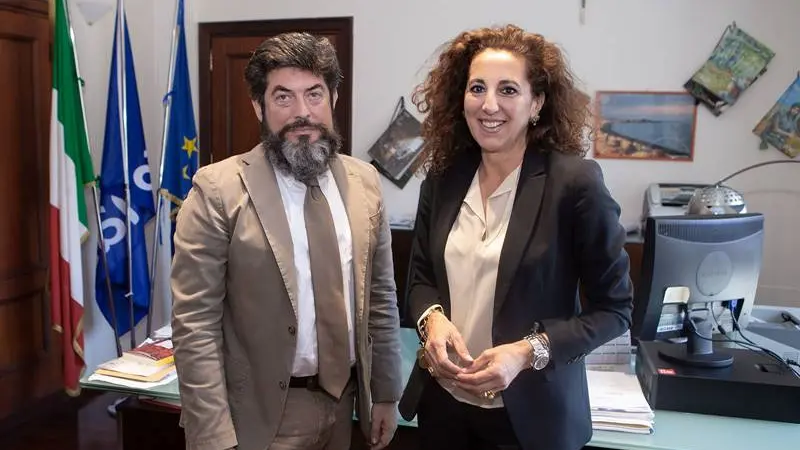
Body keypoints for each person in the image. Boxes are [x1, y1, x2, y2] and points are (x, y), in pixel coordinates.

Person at [397, 25, 634, 450]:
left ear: (536, 102)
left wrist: (527, 352)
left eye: (508, 90)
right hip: (444, 410)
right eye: (477, 88)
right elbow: (420, 278)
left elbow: (615, 309)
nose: (489, 105)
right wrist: (432, 320)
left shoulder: (574, 183)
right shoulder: (444, 178)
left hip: (531, 421)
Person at [171, 32, 403, 450]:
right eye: (283, 97)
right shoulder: (217, 191)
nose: (302, 113)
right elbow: (195, 325)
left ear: (333, 97)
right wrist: (213, 435)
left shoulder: (365, 182)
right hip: (259, 419)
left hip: (345, 404)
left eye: (314, 94)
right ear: (258, 106)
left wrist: (385, 393)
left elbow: (380, 298)